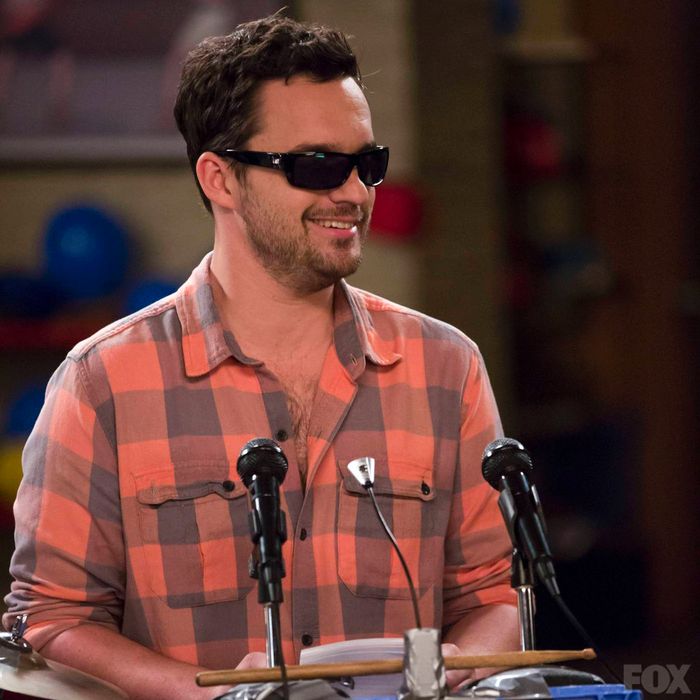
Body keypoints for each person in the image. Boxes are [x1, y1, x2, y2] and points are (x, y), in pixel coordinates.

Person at [3, 13, 518, 700]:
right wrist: (208, 693)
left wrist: (456, 668)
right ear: (220, 179)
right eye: (317, 166)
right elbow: (52, 615)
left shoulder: (447, 369)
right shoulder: (102, 382)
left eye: (366, 164)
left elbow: (495, 596)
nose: (352, 193)